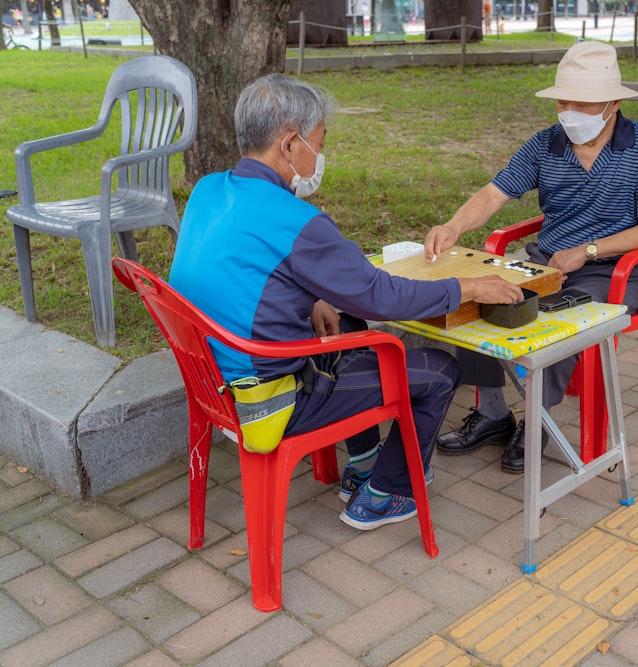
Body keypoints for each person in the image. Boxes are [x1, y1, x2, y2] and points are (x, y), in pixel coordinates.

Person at [169, 74, 523, 531]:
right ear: (290, 143)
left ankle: (362, 463)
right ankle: (388, 493)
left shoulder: (208, 190)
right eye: (319, 142)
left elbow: (244, 269)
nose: (320, 155)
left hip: (213, 385)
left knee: (347, 323)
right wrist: (468, 287)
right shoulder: (299, 221)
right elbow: (380, 296)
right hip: (269, 401)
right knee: (439, 371)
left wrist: (314, 294)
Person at [424, 41, 638, 474]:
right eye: (564, 100)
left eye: (583, 102)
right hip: (545, 262)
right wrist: (453, 227)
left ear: (613, 103)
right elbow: (493, 194)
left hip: (612, 271)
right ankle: (492, 413)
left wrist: (588, 250)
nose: (570, 110)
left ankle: (536, 420)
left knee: (553, 323)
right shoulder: (546, 145)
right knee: (476, 299)